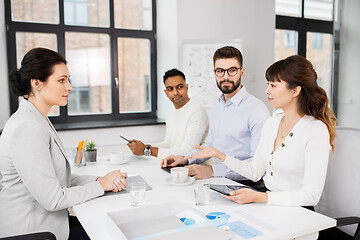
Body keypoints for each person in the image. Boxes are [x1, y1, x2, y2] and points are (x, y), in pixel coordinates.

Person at [0, 48, 128, 240]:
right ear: (36, 83)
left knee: (107, 225)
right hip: (32, 231)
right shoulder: (26, 127)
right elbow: (53, 199)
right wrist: (101, 185)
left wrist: (101, 179)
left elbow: (59, 178)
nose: (69, 87)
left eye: (68, 79)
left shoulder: (38, 119)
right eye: (61, 80)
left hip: (48, 222)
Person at [183, 55, 337, 207]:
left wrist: (261, 197)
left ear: (295, 90)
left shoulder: (315, 130)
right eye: (268, 84)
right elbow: (255, 171)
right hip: (267, 205)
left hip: (298, 211)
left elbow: (311, 196)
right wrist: (219, 155)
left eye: (273, 85)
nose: (267, 91)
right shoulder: (272, 123)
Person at [161, 46, 270, 181]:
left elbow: (257, 166)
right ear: (214, 73)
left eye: (232, 70)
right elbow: (210, 145)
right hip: (219, 180)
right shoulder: (217, 106)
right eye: (220, 71)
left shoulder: (257, 110)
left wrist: (212, 170)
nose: (225, 76)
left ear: (241, 72)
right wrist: (185, 159)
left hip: (248, 186)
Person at [127, 68, 208, 159]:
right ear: (166, 92)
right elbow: (169, 143)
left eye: (180, 87)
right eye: (170, 89)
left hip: (195, 168)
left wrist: (146, 149)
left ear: (187, 87)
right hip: (175, 165)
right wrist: (145, 146)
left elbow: (188, 151)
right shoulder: (171, 112)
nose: (175, 92)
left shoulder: (197, 112)